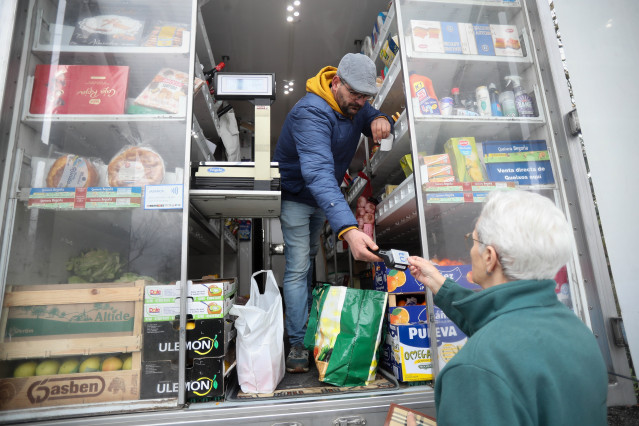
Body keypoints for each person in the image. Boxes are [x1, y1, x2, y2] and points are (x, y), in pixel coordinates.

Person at [407, 190, 608, 426]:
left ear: (490, 257)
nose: (471, 251)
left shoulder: (475, 369)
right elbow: (504, 326)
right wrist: (440, 285)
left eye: (472, 241)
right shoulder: (578, 332)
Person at [273, 53, 391, 373]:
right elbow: (319, 175)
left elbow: (366, 114)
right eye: (355, 95)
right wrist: (348, 229)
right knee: (298, 266)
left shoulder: (355, 102)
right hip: (298, 196)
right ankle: (297, 343)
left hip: (319, 200)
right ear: (336, 83)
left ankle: (308, 326)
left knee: (309, 257)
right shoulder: (310, 112)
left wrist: (380, 119)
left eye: (367, 96)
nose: (360, 102)